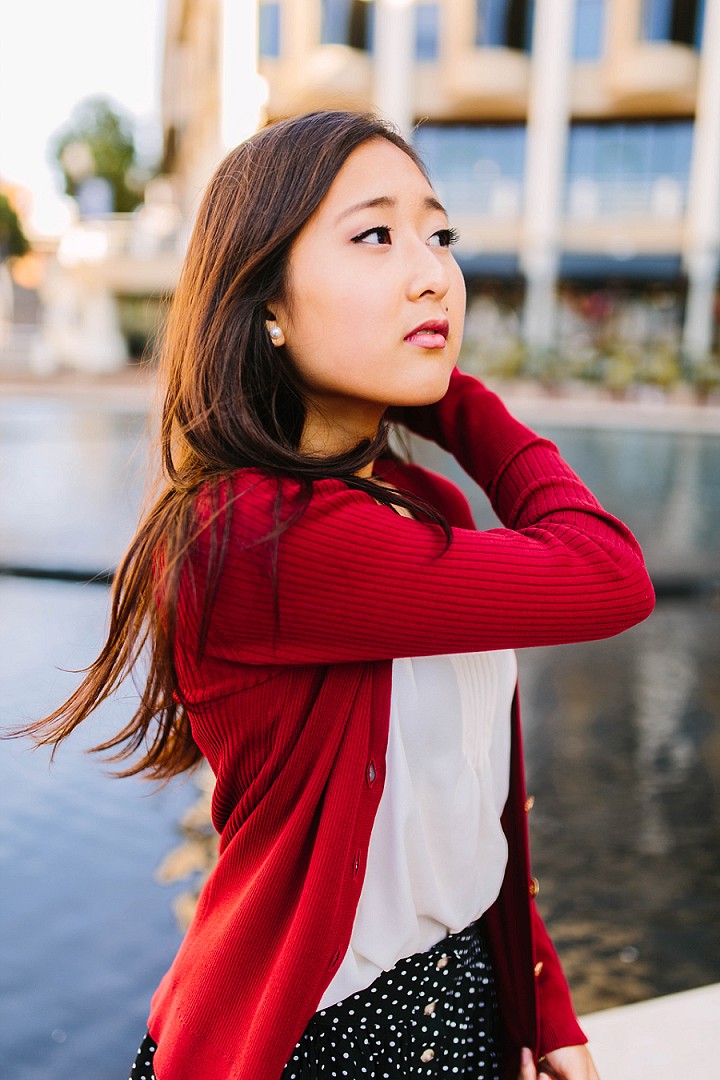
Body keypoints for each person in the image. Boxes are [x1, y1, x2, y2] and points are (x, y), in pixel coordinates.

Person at [21, 111, 655, 1080]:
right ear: (266, 302)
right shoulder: (248, 538)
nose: (432, 271)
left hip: (468, 1019)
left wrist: (544, 1002)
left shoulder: (419, 503)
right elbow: (611, 575)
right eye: (376, 235)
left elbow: (463, 808)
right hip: (323, 1045)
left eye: (438, 235)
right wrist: (460, 401)